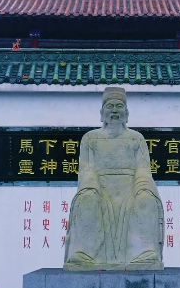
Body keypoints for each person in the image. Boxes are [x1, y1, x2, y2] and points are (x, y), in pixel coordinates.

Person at [63, 87, 165, 270]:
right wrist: (90, 188)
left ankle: (143, 253)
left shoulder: (137, 139)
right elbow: (86, 170)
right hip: (99, 189)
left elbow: (143, 169)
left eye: (119, 106)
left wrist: (142, 189)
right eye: (110, 106)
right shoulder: (90, 139)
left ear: (127, 113)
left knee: (146, 199)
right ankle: (85, 254)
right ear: (102, 113)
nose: (115, 111)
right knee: (87, 199)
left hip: (131, 189)